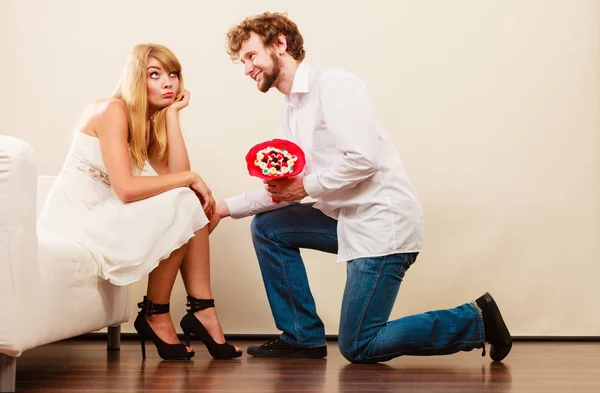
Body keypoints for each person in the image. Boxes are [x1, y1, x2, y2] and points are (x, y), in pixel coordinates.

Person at [209, 12, 512, 363]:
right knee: (268, 227)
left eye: (250, 56)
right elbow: (288, 189)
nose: (247, 69)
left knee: (359, 345)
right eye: (242, 61)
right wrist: (224, 208)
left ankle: (475, 320)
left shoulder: (334, 85)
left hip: (382, 226)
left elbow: (363, 159)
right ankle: (302, 335)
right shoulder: (291, 113)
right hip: (346, 221)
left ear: (280, 43)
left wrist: (303, 186)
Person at [37, 44, 241, 361]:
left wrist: (172, 115)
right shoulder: (112, 110)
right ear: (136, 79)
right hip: (79, 223)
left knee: (191, 203)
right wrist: (191, 179)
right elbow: (126, 190)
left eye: (173, 74)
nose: (168, 83)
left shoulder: (144, 121)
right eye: (155, 75)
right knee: (187, 199)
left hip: (105, 216)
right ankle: (156, 312)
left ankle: (202, 309)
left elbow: (179, 175)